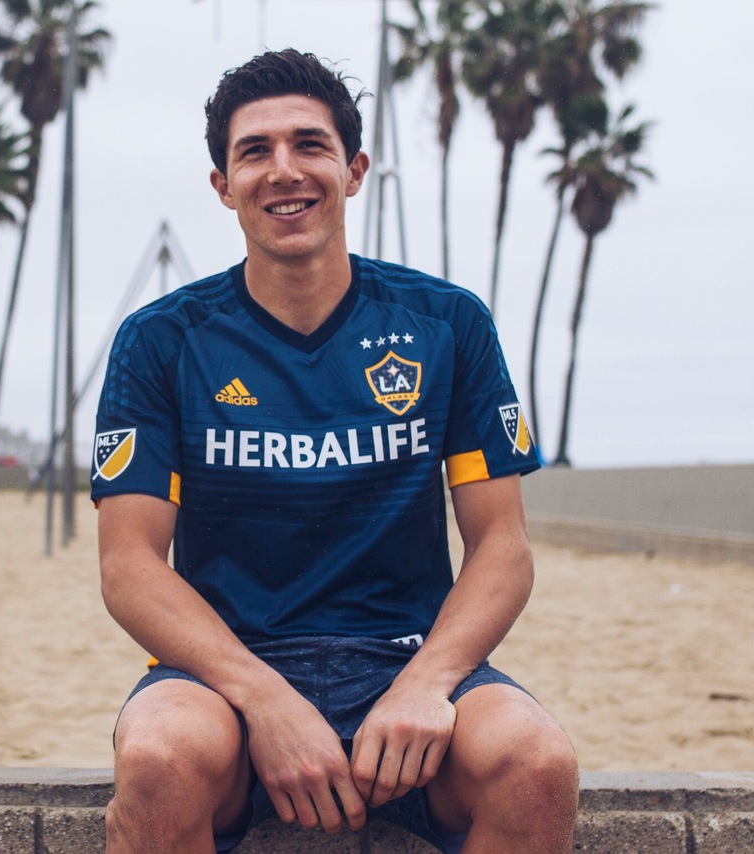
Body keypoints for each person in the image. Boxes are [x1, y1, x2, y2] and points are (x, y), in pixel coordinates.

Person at [91, 49, 579, 853]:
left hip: (408, 658)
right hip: (225, 672)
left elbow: (503, 544)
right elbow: (129, 565)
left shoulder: (446, 324)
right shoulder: (163, 339)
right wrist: (265, 700)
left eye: (309, 145)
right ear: (224, 185)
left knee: (537, 767)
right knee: (158, 763)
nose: (284, 170)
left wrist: (427, 684)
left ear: (353, 172)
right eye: (255, 151)